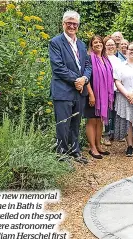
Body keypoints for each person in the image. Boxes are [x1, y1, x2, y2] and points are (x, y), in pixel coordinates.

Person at [49, 10, 91, 164]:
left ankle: (75, 151)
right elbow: (58, 68)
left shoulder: (81, 44)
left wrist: (85, 78)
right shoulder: (55, 42)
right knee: (63, 125)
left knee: (75, 124)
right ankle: (61, 155)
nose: (72, 26)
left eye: (75, 23)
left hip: (79, 92)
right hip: (63, 91)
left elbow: (88, 65)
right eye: (69, 23)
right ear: (63, 24)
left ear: (78, 26)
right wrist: (78, 80)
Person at [84, 35, 114, 159]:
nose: (98, 44)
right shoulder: (89, 58)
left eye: (100, 42)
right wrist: (91, 94)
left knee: (99, 120)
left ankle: (98, 145)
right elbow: (86, 77)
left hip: (103, 96)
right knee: (91, 120)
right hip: (92, 95)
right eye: (95, 42)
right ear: (91, 45)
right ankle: (92, 148)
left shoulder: (105, 59)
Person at [102, 37, 122, 146]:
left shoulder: (118, 60)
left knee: (115, 111)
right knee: (107, 113)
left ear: (115, 46)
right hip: (106, 90)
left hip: (116, 89)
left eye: (112, 45)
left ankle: (115, 133)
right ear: (105, 46)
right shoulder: (103, 58)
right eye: (108, 45)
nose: (110, 47)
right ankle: (106, 135)